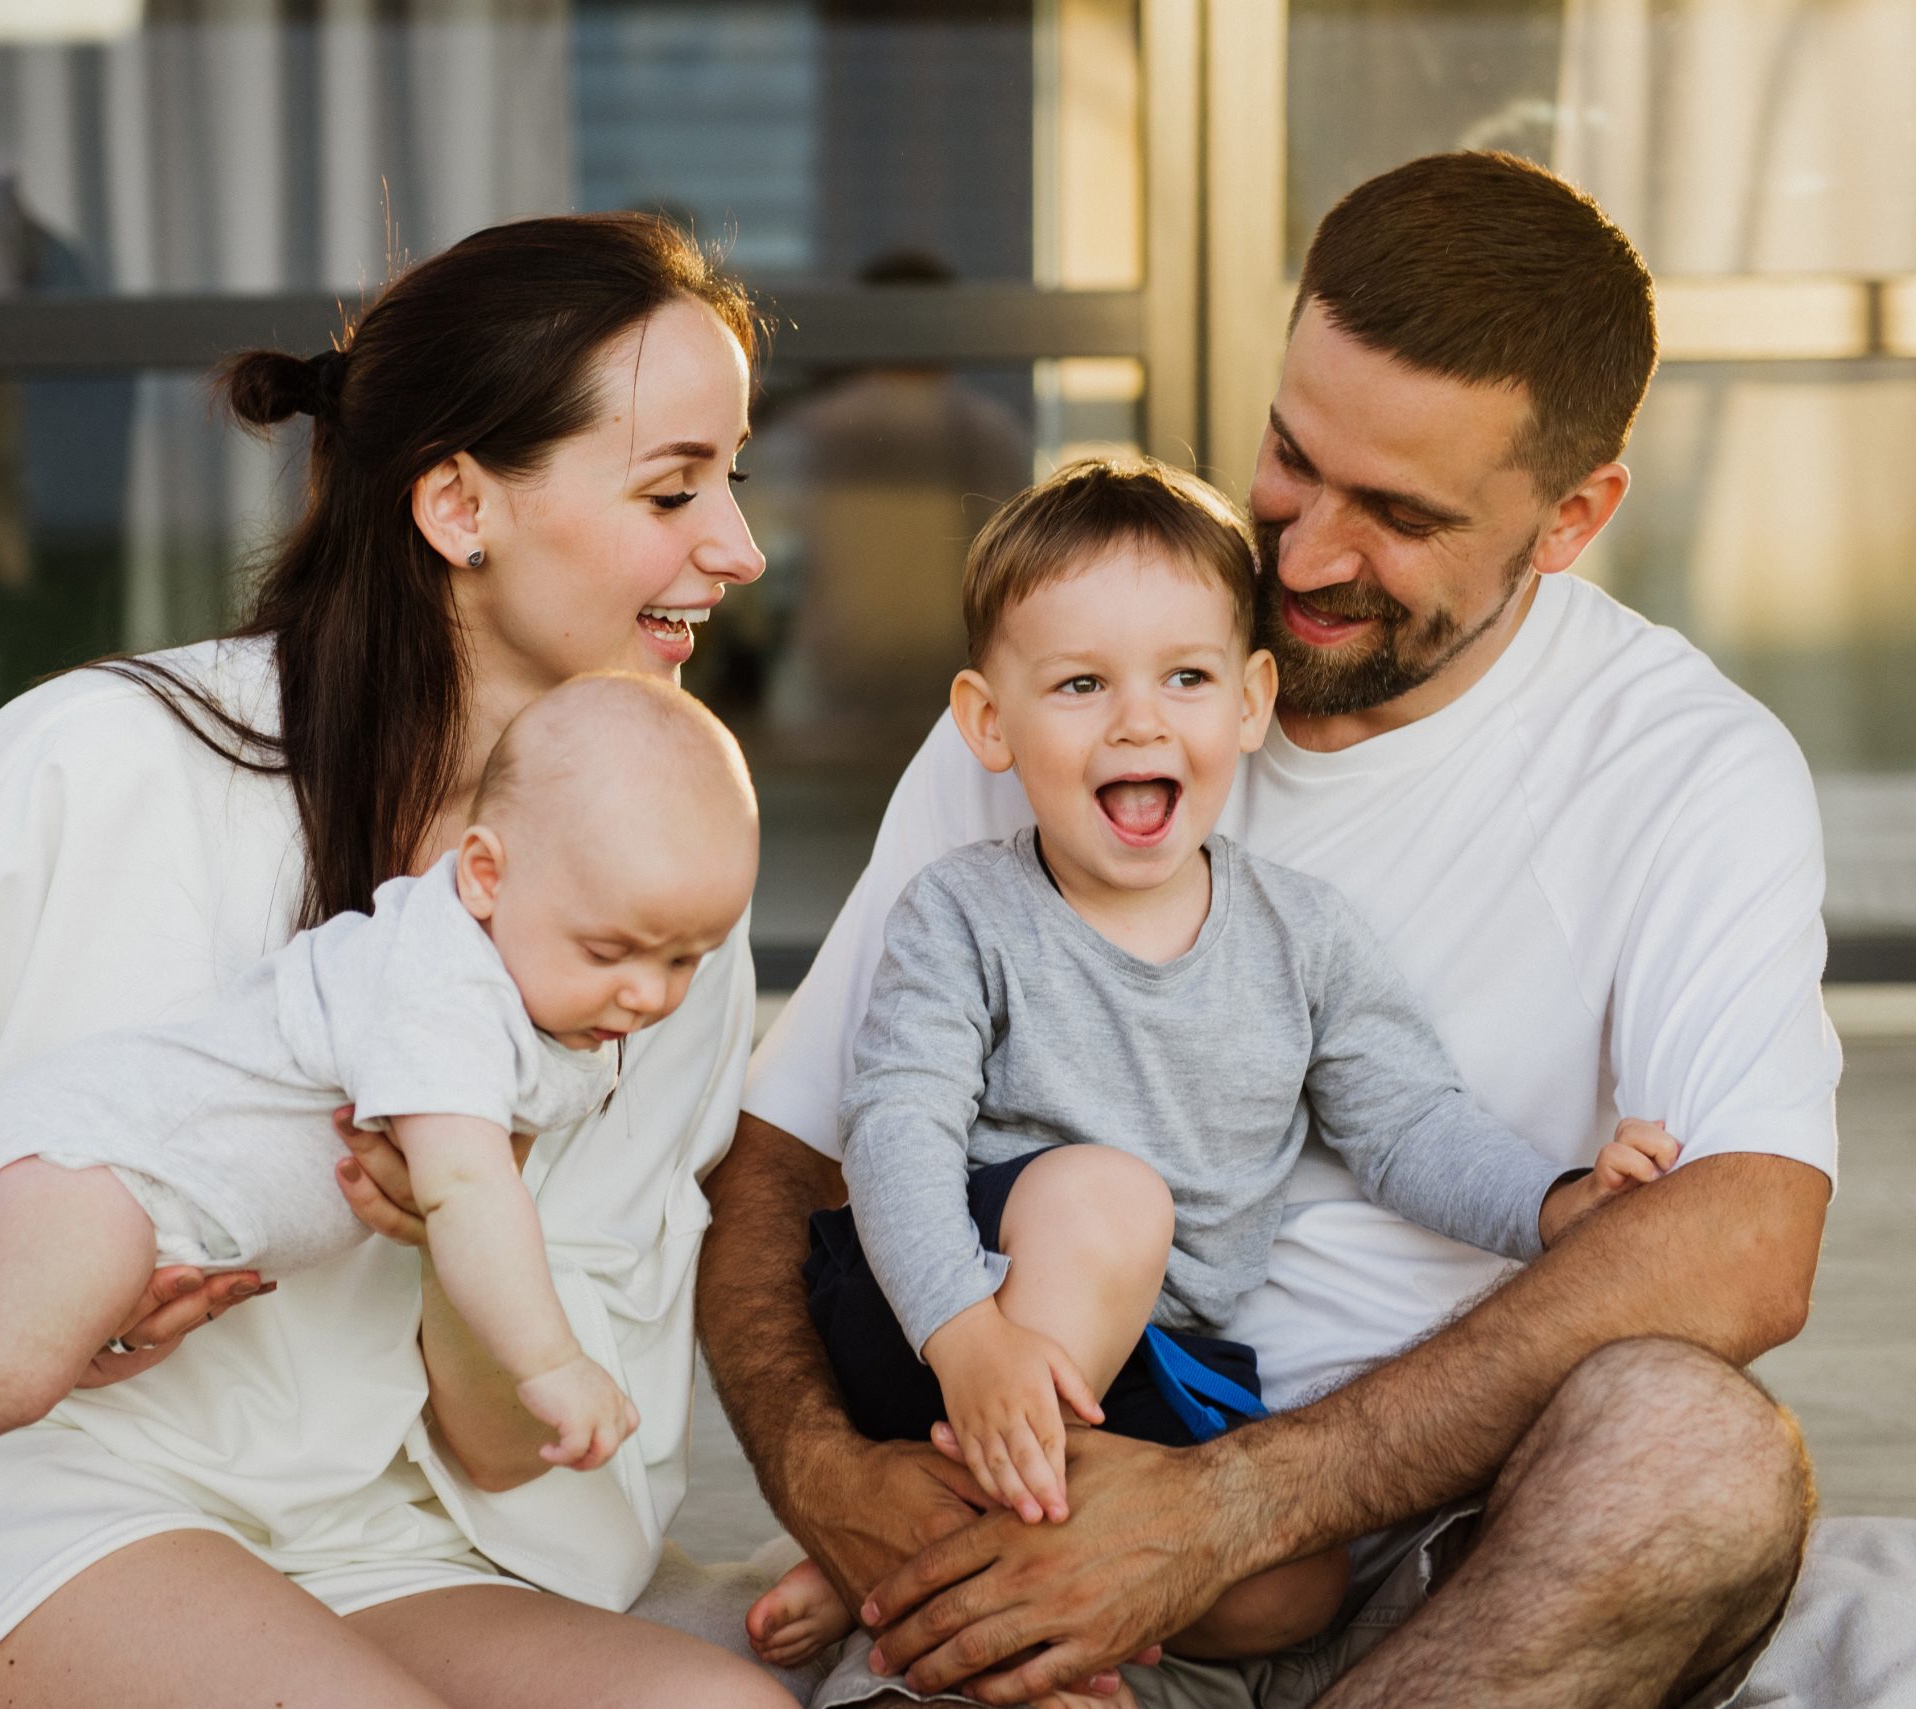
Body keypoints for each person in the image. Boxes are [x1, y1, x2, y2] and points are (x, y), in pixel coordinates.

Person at [702, 151, 1838, 1709]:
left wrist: (1230, 1504)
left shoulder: (1683, 766)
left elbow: (1750, 1240)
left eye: (1400, 514)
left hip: (1426, 1549)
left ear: (1571, 518)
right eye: (1292, 457)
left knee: (1702, 1456)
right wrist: (839, 1487)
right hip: (1033, 1486)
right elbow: (791, 1160)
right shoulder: (1084, 672)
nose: (1297, 557)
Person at [0, 210, 798, 1709]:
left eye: (734, 478)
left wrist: (457, 1236)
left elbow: (507, 1445)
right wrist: (40, 1275)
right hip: (14, 1469)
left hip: (355, 1524)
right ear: (461, 505)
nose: (740, 546)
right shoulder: (118, 756)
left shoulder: (645, 919)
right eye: (676, 487)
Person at [750, 457, 1684, 1677]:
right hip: (938, 1307)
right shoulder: (964, 912)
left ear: (1249, 700)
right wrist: (966, 1334)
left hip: (1151, 1366)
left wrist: (1561, 1203)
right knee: (1109, 1198)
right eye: (1081, 684)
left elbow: (1405, 1124)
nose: (1139, 720)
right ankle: (1014, 1609)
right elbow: (896, 1129)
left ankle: (963, 1553)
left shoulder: (1302, 935)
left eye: (1183, 679)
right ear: (989, 720)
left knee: (1287, 1589)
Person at [0, 672, 762, 1614]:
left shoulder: (534, 980)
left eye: (685, 960)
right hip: (104, 1160)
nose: (644, 993)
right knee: (2, 1379)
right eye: (613, 950)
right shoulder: (442, 987)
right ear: (483, 874)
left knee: (18, 1353)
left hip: (147, 1190)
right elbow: (471, 1192)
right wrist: (554, 1360)